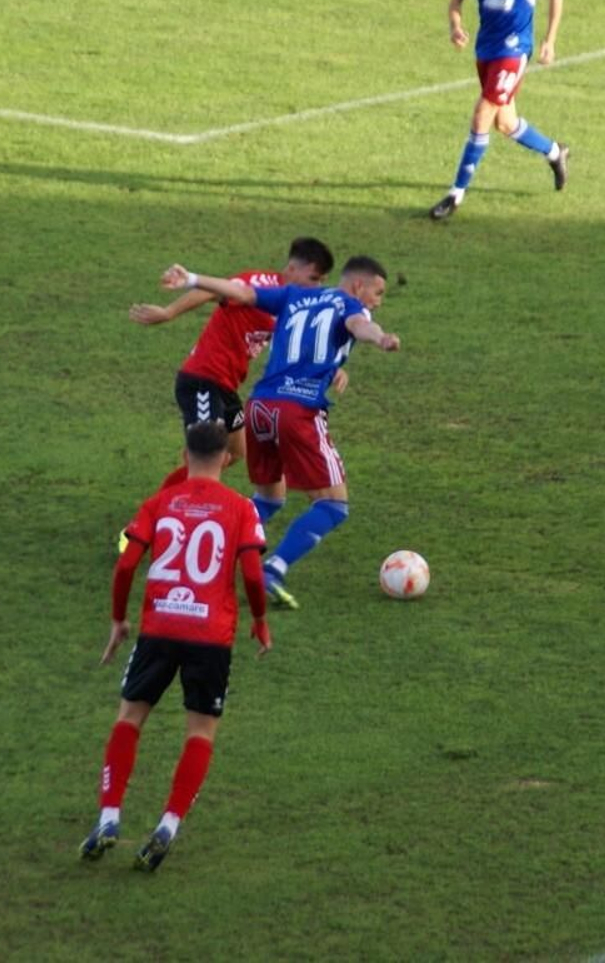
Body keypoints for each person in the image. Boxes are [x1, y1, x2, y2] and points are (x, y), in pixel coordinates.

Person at [79, 419, 271, 873]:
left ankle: (109, 816)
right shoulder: (242, 508)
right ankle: (168, 824)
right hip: (210, 637)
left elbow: (126, 565)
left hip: (159, 629)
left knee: (130, 718)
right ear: (226, 458)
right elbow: (252, 574)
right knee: (200, 732)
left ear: (184, 456)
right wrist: (260, 620)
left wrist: (118, 620)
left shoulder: (160, 502)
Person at [160, 256, 401, 609]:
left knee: (270, 497)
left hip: (259, 407)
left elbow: (239, 291)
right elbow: (357, 324)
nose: (377, 302)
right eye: (377, 293)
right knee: (333, 505)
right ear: (358, 285)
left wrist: (194, 277)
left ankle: (208, 551)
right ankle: (274, 568)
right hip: (297, 411)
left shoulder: (292, 295)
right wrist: (380, 338)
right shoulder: (352, 306)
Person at [128, 238, 336, 490]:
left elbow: (303, 342)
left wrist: (333, 368)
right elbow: (210, 290)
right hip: (202, 379)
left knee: (236, 451)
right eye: (314, 278)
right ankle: (170, 508)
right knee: (207, 453)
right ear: (292, 268)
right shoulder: (258, 284)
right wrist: (168, 312)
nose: (318, 287)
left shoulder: (294, 303)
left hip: (226, 387)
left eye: (322, 281)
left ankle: (174, 494)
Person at [430, 0, 569, 221]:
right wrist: (456, 26)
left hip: (515, 50)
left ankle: (455, 194)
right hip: (487, 50)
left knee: (482, 115)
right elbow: (455, 1)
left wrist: (549, 41)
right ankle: (554, 152)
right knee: (506, 123)